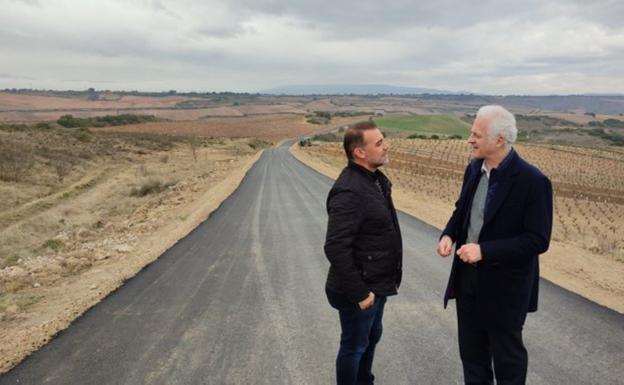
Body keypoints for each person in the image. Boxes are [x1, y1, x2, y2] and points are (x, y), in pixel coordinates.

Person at [437, 105, 553, 385]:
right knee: (472, 358)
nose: (470, 139)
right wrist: (449, 234)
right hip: (468, 282)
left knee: (507, 362)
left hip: (505, 289)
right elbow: (461, 211)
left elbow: (537, 239)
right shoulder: (473, 169)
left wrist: (484, 251)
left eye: (476, 134)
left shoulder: (533, 181)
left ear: (499, 140)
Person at [324, 120, 403, 385]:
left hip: (376, 284)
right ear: (359, 152)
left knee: (369, 338)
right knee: (354, 346)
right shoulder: (350, 189)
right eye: (379, 143)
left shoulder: (374, 181)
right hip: (360, 289)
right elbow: (335, 246)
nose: (386, 146)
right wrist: (359, 292)